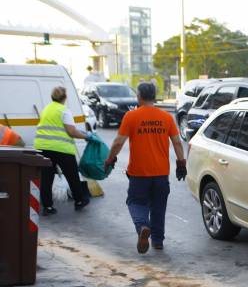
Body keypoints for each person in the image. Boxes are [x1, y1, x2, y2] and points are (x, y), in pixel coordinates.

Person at [104, 82, 186, 254]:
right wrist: (181, 163)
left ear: (139, 97)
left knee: (135, 202)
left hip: (139, 173)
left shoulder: (131, 116)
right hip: (161, 173)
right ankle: (157, 241)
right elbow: (177, 142)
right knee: (159, 206)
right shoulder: (166, 117)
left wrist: (110, 159)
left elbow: (119, 141)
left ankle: (142, 226)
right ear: (154, 97)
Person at [35, 86, 93, 214]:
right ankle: (79, 201)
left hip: (43, 147)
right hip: (61, 149)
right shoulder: (64, 111)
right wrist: (86, 136)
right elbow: (71, 131)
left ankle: (48, 207)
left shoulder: (46, 109)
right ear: (65, 97)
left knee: (46, 178)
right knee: (72, 175)